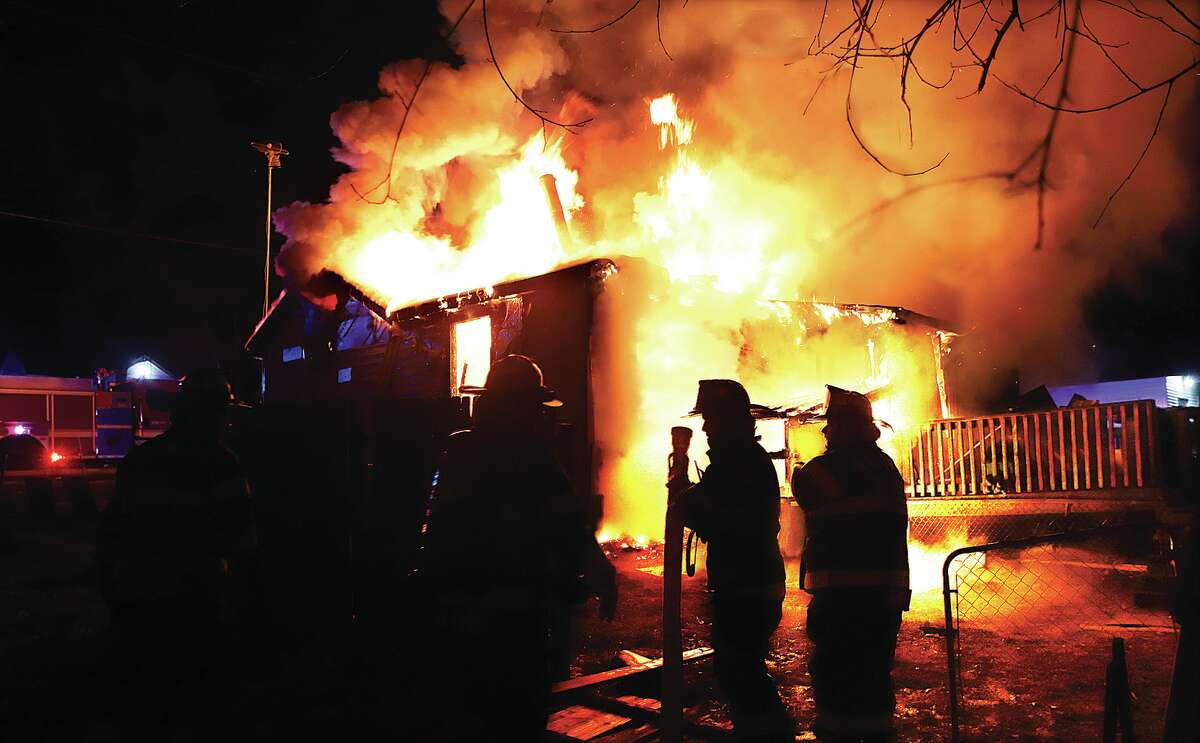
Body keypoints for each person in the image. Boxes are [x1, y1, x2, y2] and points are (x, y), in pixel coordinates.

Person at [420, 354, 617, 741]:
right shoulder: (532, 458)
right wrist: (601, 573)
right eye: (531, 406)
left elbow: (437, 533)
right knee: (517, 716)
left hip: (464, 617)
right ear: (514, 406)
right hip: (513, 619)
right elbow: (569, 526)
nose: (538, 416)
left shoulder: (460, 452)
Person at [95, 369, 257, 733]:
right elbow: (242, 539)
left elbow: (110, 533)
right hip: (196, 604)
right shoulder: (221, 464)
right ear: (214, 416)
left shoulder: (139, 461)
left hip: (139, 601)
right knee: (194, 710)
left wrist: (112, 594)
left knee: (146, 709)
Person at [675, 379, 792, 741]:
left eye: (711, 418)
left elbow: (707, 513)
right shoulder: (738, 459)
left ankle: (768, 735)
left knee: (739, 670)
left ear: (730, 419)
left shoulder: (738, 462)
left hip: (747, 586)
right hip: (748, 582)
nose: (706, 427)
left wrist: (681, 483)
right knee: (740, 668)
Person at [791, 385, 910, 743]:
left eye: (831, 425)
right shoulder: (884, 467)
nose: (826, 433)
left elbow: (802, 484)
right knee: (873, 677)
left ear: (845, 427)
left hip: (840, 597)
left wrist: (797, 460)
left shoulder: (827, 470)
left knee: (835, 678)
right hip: (882, 597)